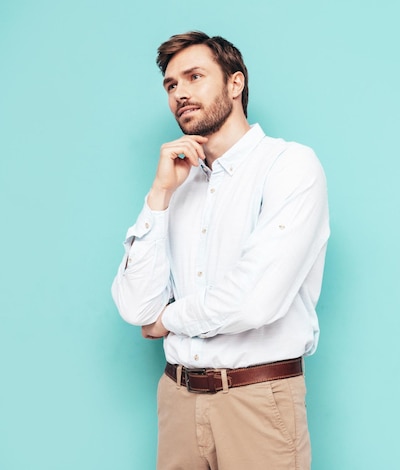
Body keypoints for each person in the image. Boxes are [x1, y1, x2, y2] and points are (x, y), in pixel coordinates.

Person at [111, 31, 329, 470]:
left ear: (235, 84)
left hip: (256, 400)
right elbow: (137, 308)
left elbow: (253, 301)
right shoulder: (176, 184)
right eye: (171, 85)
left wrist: (167, 321)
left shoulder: (288, 166)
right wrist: (158, 194)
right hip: (177, 397)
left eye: (194, 76)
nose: (181, 93)